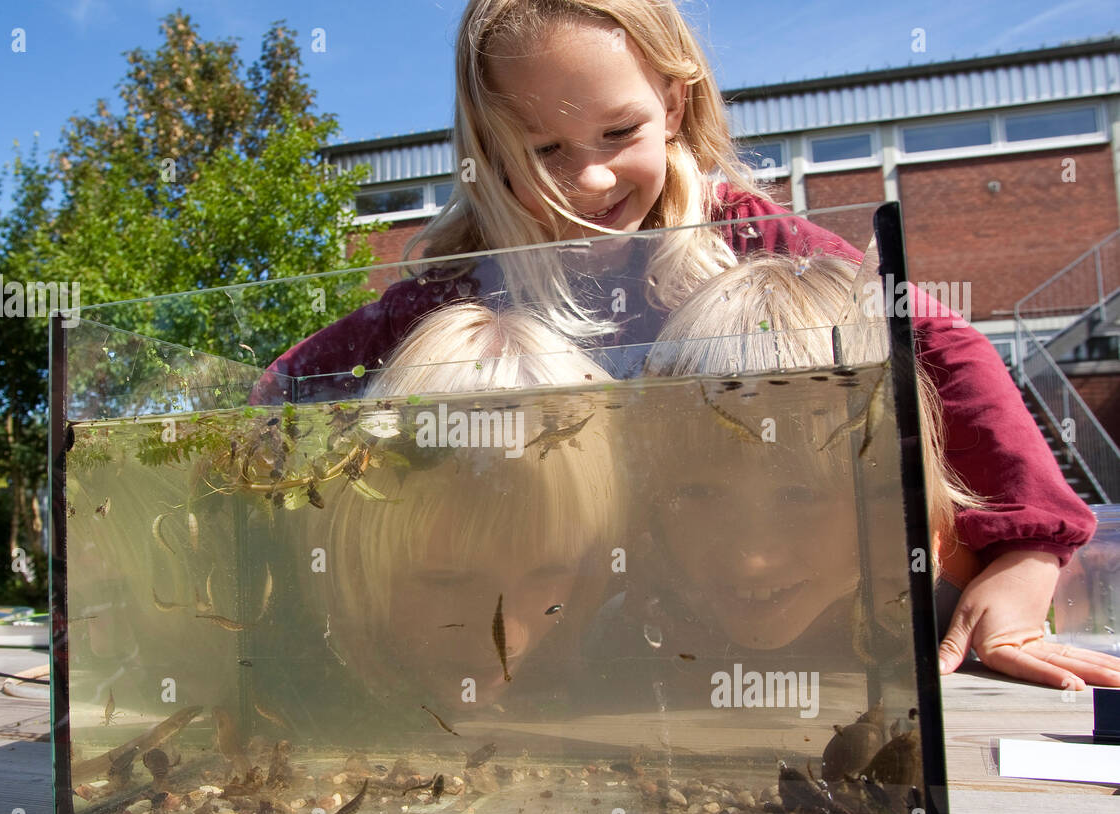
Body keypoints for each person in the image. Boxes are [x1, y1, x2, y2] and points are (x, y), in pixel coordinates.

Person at [252, 0, 1112, 691]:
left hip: (794, 634)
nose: (588, 178)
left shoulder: (749, 238)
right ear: (489, 151)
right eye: (544, 148)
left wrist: (1027, 548)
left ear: (674, 102)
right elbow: (287, 387)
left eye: (620, 133)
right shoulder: (467, 281)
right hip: (579, 647)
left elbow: (941, 343)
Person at [293, 302, 624, 727]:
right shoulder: (300, 704)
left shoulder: (608, 683)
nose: (504, 641)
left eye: (548, 573)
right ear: (354, 565)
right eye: (445, 579)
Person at [639, 253, 982, 660]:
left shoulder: (946, 610)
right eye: (699, 493)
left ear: (883, 499)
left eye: (798, 496)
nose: (752, 559)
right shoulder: (635, 621)